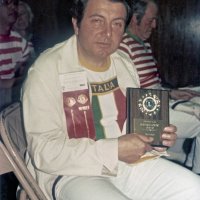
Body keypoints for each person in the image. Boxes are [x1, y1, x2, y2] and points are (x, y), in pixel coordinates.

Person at [22, 0, 200, 199]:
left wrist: (155, 138)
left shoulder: (124, 63)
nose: (107, 33)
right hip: (71, 172)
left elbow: (137, 127)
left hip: (125, 164)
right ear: (76, 24)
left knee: (193, 188)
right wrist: (113, 150)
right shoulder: (46, 69)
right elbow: (44, 152)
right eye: (97, 21)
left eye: (116, 23)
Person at [119, 0, 200, 174]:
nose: (154, 25)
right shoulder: (123, 47)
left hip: (158, 100)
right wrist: (180, 104)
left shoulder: (143, 45)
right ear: (134, 19)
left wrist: (172, 93)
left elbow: (151, 85)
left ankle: (181, 159)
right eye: (151, 20)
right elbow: (134, 94)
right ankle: (196, 173)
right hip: (146, 113)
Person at [0, 0, 31, 199]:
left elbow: (29, 78)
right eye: (6, 4)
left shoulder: (20, 42)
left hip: (9, 113)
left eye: (14, 3)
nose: (13, 8)